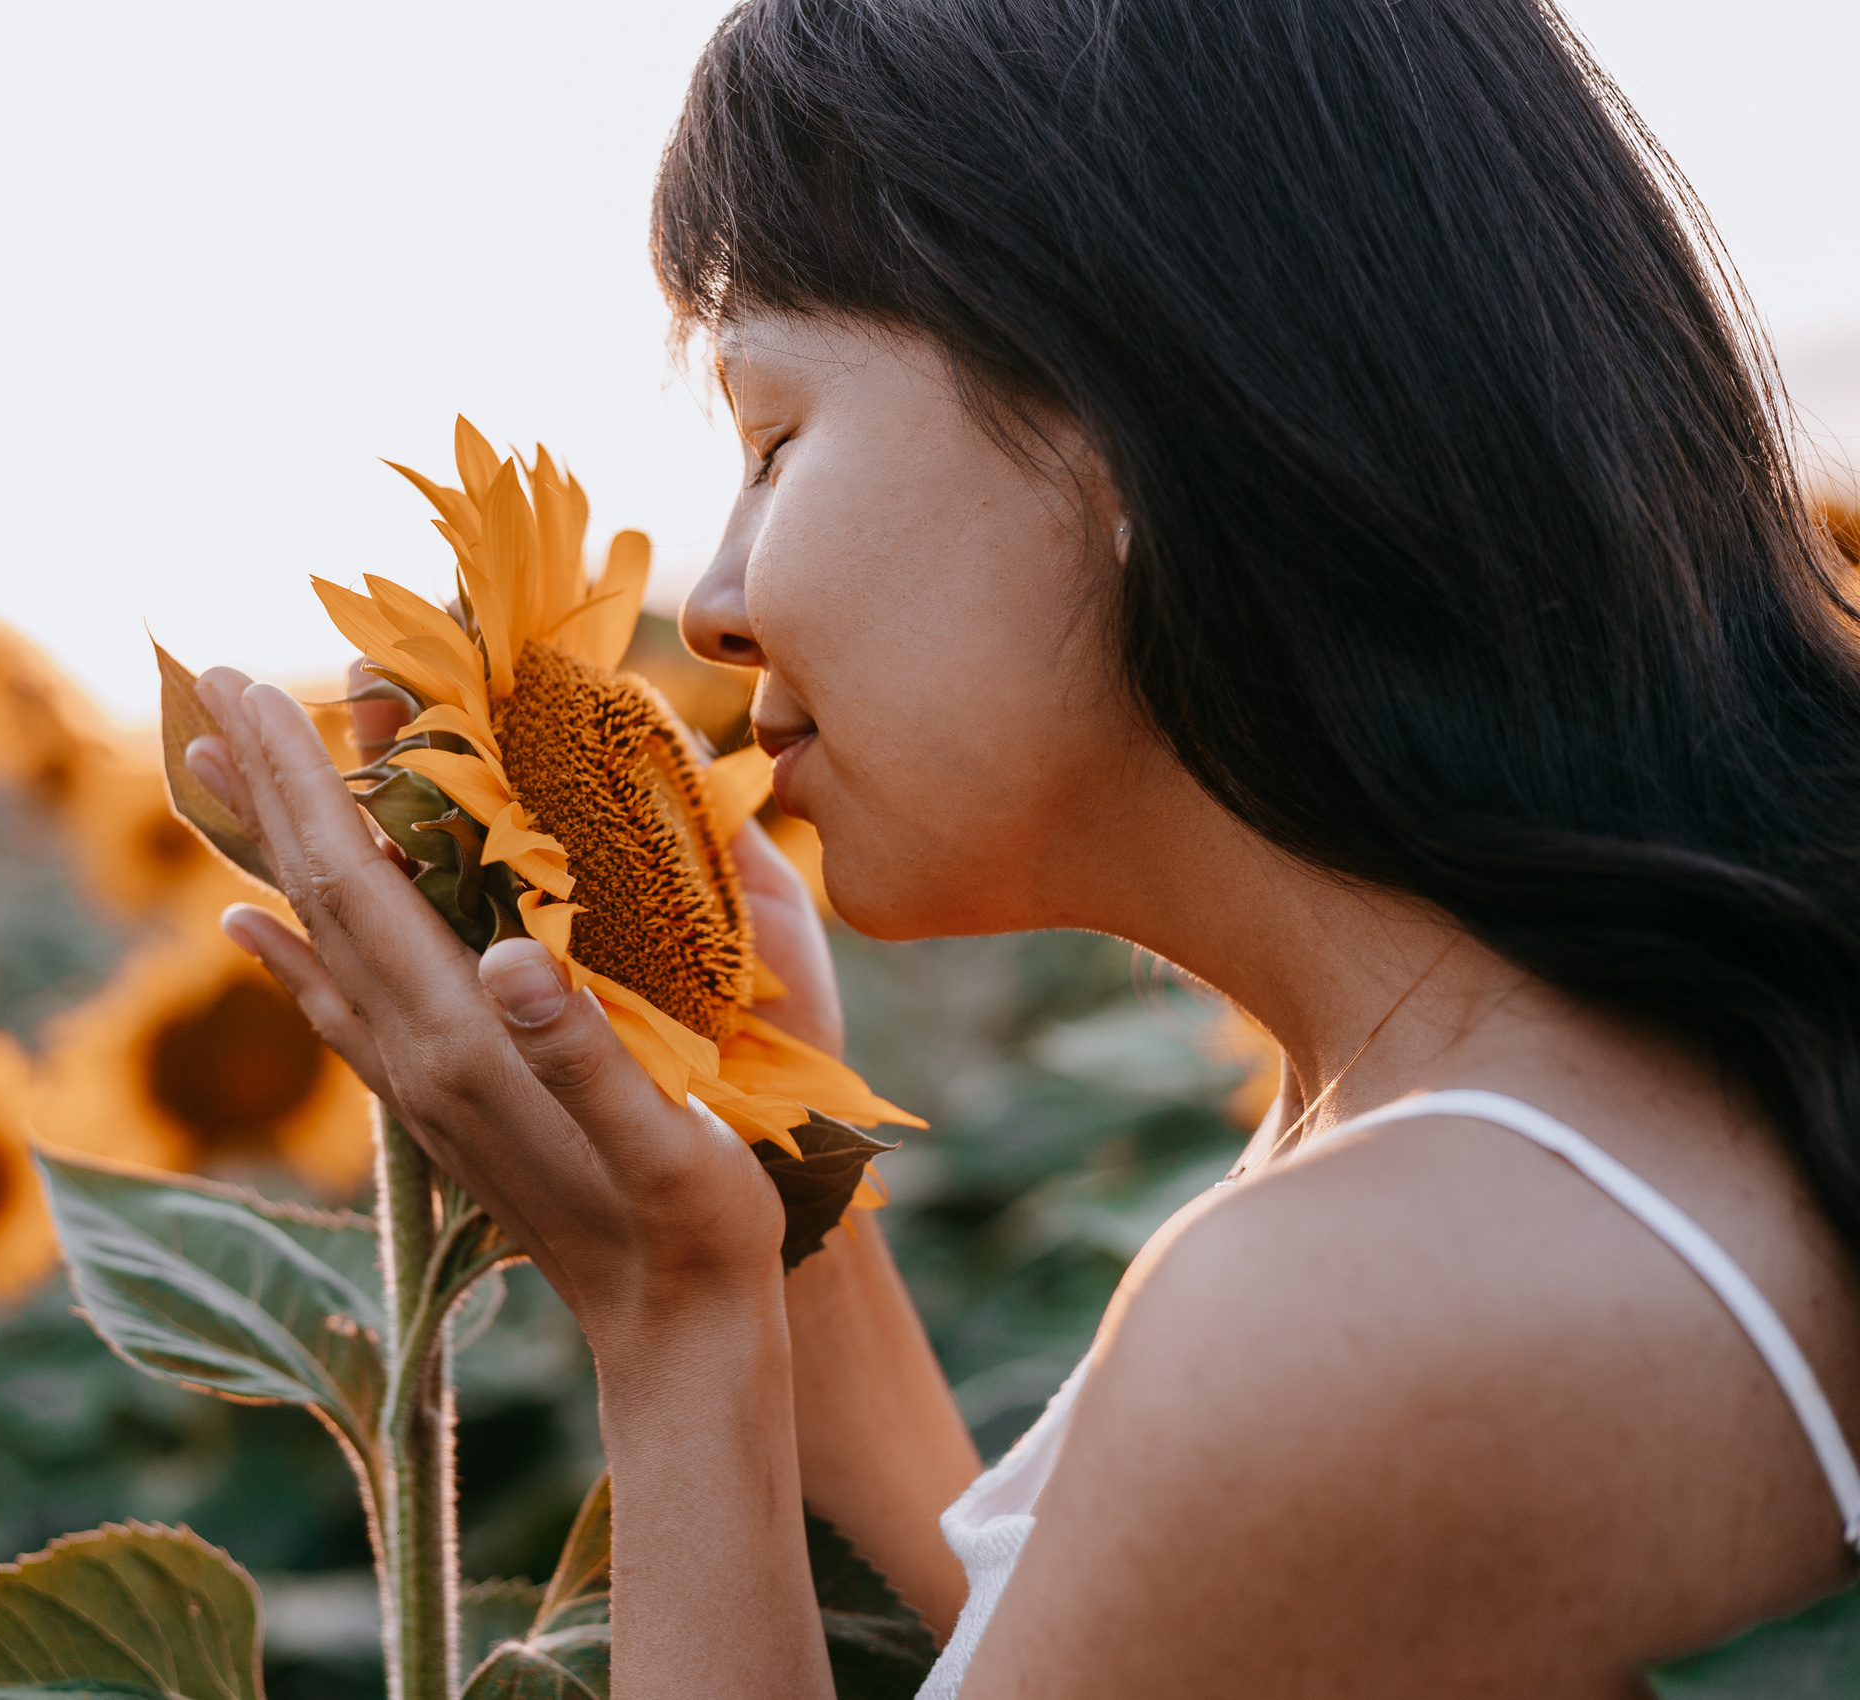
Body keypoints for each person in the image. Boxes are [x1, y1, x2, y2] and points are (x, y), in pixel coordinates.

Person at [182, 0, 1860, 1691]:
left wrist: (672, 1323)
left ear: (1133, 421)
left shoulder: (1353, 1308)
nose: (713, 604)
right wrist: (774, 1220)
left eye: (771, 438)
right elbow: (1111, 1629)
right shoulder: (1573, 1117)